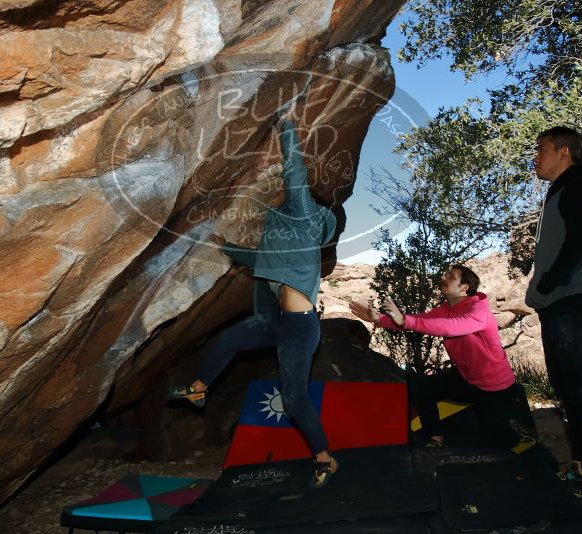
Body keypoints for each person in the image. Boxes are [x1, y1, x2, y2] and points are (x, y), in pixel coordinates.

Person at [169, 108, 339, 488]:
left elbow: (295, 172)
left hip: (299, 328)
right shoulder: (287, 235)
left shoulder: (304, 215)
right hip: (278, 321)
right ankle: (198, 390)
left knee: (294, 399)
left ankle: (324, 458)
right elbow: (260, 260)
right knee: (228, 339)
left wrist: (288, 125)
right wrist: (226, 247)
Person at [349, 265, 533, 452]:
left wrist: (404, 320)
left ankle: (515, 432)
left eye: (451, 276)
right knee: (420, 384)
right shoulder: (445, 309)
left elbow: (450, 327)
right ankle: (436, 437)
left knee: (497, 441)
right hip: (468, 381)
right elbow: (417, 320)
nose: (444, 277)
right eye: (445, 274)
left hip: (495, 387)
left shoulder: (479, 310)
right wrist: (378, 319)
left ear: (464, 287)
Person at [526, 126, 582, 498]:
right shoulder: (566, 187)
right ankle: (581, 465)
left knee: (578, 387)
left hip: (574, 300)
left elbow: (581, 240)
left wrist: (549, 284)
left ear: (565, 152)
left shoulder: (581, 184)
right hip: (563, 301)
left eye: (541, 148)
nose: (536, 156)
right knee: (567, 386)